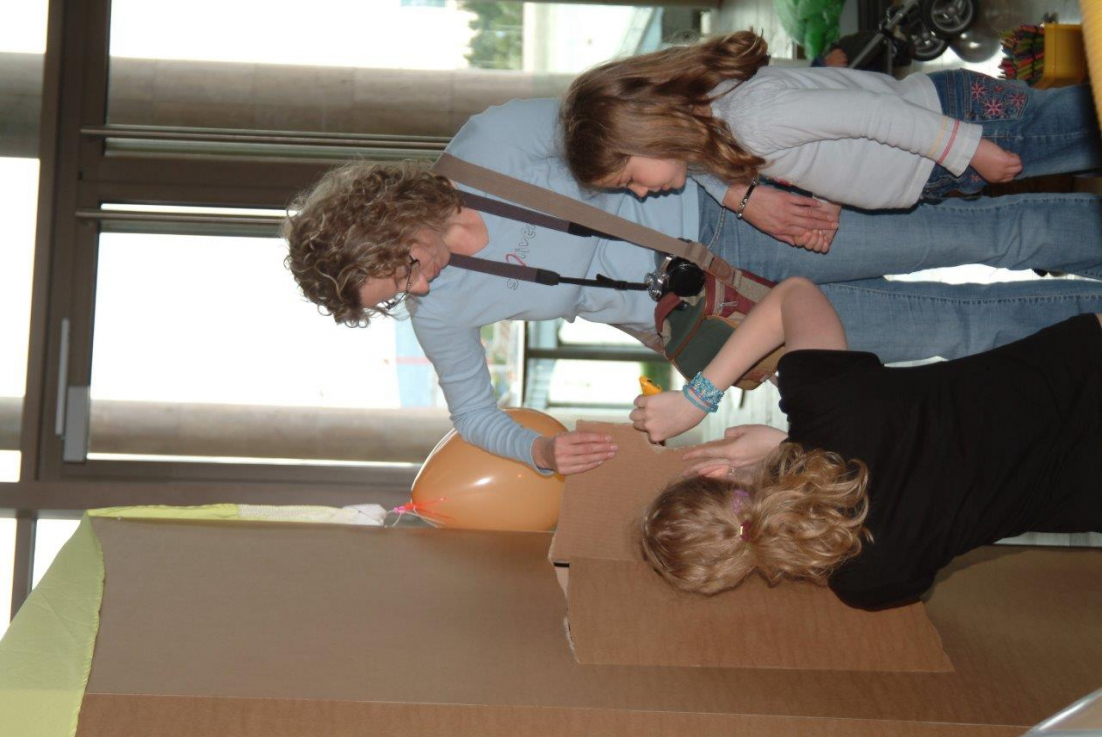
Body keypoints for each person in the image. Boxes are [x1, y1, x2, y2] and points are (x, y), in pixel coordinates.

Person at [283, 96, 1102, 476]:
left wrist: (744, 194)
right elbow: (471, 415)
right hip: (718, 314)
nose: (419, 290)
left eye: (404, 269)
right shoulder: (442, 309)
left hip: (726, 223)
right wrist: (539, 450)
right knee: (952, 329)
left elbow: (647, 121)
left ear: (389, 218)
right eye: (396, 297)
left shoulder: (490, 144)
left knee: (981, 233)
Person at [634, 277, 1102, 609]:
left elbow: (908, 553)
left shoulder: (863, 581)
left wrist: (787, 453)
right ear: (713, 472)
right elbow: (794, 295)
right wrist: (700, 400)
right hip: (1082, 367)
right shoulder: (826, 406)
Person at [561, 32, 1101, 250]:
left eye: (628, 179)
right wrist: (828, 198)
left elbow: (874, 115)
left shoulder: (751, 118)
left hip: (955, 127)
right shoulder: (719, 124)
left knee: (1083, 126)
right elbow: (827, 146)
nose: (639, 193)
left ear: (650, 131)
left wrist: (969, 150)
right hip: (938, 155)